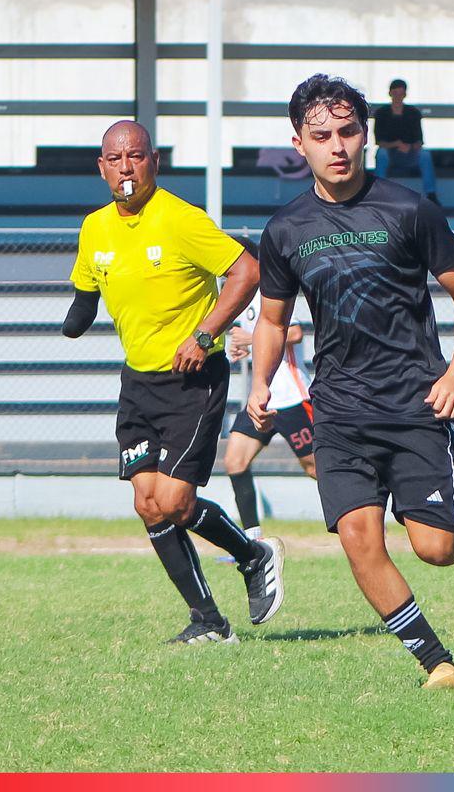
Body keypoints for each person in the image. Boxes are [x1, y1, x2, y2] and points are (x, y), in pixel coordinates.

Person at [247, 74, 454, 688]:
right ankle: (437, 664)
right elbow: (271, 316)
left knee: (437, 550)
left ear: (365, 135)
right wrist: (261, 382)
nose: (336, 146)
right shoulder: (285, 228)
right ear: (300, 143)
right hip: (339, 410)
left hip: (416, 401)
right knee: (359, 538)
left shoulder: (409, 209)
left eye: (347, 132)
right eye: (322, 136)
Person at [61, 118, 283, 643]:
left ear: (154, 161)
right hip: (138, 383)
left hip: (193, 381)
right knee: (147, 503)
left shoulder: (180, 218)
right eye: (115, 160)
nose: (125, 168)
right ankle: (208, 622)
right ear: (101, 168)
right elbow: (87, 289)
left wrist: (205, 335)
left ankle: (253, 555)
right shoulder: (95, 227)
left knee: (177, 503)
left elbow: (247, 270)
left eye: (135, 156)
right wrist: (76, 318)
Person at [223, 304, 316, 545]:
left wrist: (251, 339)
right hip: (262, 399)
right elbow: (258, 344)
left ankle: (366, 515)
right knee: (235, 461)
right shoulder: (244, 300)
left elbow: (295, 333)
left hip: (293, 398)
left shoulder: (274, 291)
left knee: (316, 468)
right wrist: (242, 348)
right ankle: (253, 541)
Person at [373, 78, 438, 202]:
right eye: (395, 93)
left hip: (410, 153)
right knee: (381, 154)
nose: (398, 96)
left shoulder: (413, 113)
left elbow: (419, 140)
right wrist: (396, 144)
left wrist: (411, 147)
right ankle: (378, 193)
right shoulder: (381, 113)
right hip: (390, 153)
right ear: (390, 93)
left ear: (405, 95)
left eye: (401, 93)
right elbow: (379, 142)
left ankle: (431, 193)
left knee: (425, 155)